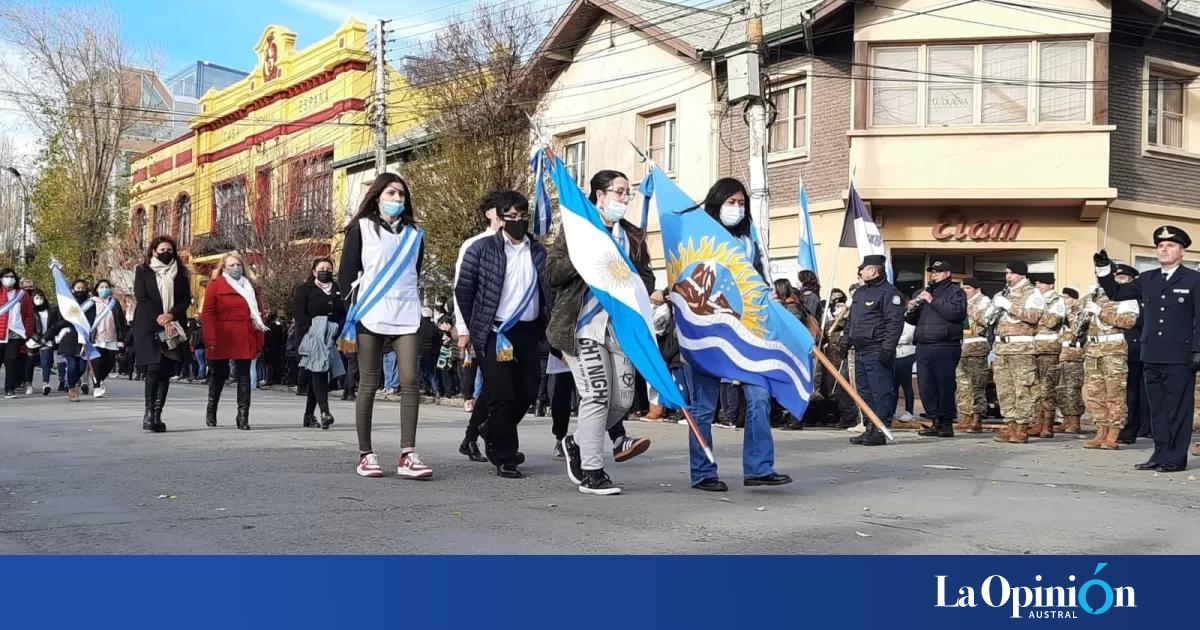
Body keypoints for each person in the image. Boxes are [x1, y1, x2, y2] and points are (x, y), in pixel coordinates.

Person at [548, 169, 655, 496]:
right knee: (595, 395)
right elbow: (552, 272)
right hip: (581, 326)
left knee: (621, 400)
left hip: (619, 328)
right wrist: (582, 259)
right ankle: (593, 470)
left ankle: (577, 442)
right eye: (620, 192)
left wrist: (631, 282)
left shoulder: (632, 236)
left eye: (628, 193)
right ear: (600, 196)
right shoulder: (579, 230)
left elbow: (647, 278)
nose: (625, 199)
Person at [681, 177, 792, 489]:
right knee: (704, 406)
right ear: (717, 205)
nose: (737, 208)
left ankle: (759, 468)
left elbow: (756, 282)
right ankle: (703, 473)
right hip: (708, 331)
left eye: (742, 203)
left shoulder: (749, 244)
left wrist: (766, 294)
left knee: (759, 397)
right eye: (731, 202)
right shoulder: (700, 238)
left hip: (748, 331)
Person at [339, 172, 433, 480]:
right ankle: (366, 453)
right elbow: (346, 275)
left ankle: (408, 453)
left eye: (401, 195)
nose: (396, 199)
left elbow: (413, 272)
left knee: (409, 379)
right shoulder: (360, 229)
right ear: (377, 196)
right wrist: (350, 312)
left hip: (406, 312)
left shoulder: (415, 234)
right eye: (391, 193)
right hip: (370, 312)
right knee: (369, 382)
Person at [455, 189, 549, 479]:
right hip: (494, 331)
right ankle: (506, 455)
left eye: (522, 216)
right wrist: (470, 327)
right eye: (511, 216)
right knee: (501, 394)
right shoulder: (480, 249)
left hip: (528, 330)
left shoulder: (538, 251)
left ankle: (490, 428)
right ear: (499, 218)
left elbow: (549, 291)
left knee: (528, 391)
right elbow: (463, 290)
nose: (517, 221)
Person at [1096, 225, 1200, 472]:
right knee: (1158, 409)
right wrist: (1104, 269)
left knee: (1178, 410)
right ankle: (1160, 453)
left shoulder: (1194, 279)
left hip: (1179, 355)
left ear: (1182, 251)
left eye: (1170, 245)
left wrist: (1198, 349)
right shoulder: (1148, 278)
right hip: (1151, 353)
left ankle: (1175, 457)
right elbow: (1117, 292)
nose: (1164, 250)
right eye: (1160, 246)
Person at [454, 191, 505, 462]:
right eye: (501, 210)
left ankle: (474, 435)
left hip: (512, 328)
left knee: (500, 387)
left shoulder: (518, 244)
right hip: (483, 326)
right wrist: (464, 329)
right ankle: (487, 437)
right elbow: (461, 289)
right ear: (489, 213)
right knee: (494, 385)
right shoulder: (475, 244)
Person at [201, 252, 268, 430]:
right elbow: (207, 313)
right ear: (223, 267)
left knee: (244, 375)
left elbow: (259, 315)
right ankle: (211, 409)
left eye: (238, 265)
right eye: (231, 265)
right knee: (219, 374)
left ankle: (243, 416)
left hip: (245, 334)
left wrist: (259, 341)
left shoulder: (251, 287)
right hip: (222, 334)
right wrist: (210, 338)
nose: (235, 268)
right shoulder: (215, 285)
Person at [844, 254, 904, 447]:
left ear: (873, 270)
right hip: (860, 350)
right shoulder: (860, 293)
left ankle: (879, 429)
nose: (860, 271)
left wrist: (887, 348)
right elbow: (851, 320)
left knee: (880, 392)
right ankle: (869, 426)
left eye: (863, 268)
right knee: (863, 392)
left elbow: (894, 324)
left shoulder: (890, 293)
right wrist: (846, 339)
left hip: (877, 349)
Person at [133, 236, 192, 432]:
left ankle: (158, 414)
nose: (166, 252)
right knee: (153, 369)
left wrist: (171, 315)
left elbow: (185, 300)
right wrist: (161, 317)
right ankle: (149, 413)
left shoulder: (181, 274)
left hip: (173, 326)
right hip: (149, 325)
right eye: (162, 249)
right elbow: (142, 297)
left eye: (169, 249)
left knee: (165, 371)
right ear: (154, 251)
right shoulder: (143, 271)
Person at [906, 260, 967, 438]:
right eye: (932, 272)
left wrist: (932, 300)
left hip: (945, 344)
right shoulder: (923, 292)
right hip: (924, 345)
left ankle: (946, 423)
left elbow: (957, 315)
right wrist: (911, 309)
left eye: (938, 272)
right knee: (926, 386)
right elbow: (912, 320)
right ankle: (934, 420)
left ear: (947, 273)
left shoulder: (956, 292)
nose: (934, 275)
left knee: (944, 385)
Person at [987, 260, 1045, 445]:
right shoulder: (1003, 293)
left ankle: (1021, 427)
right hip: (1002, 348)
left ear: (1021, 274)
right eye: (1006, 273)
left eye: (1011, 273)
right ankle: (1010, 424)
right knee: (1004, 390)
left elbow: (1034, 316)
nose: (1008, 277)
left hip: (1021, 349)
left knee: (1022, 389)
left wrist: (1009, 306)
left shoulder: (1032, 293)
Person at [1077, 279, 1138, 450]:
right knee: (1095, 393)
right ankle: (1101, 430)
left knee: (1114, 393)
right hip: (1092, 350)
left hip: (1114, 351)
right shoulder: (1091, 296)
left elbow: (1128, 321)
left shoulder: (1125, 297)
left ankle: (1113, 433)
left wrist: (1100, 312)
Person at [293, 257, 346, 429]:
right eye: (322, 268)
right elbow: (299, 313)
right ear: (314, 271)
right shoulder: (304, 290)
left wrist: (337, 327)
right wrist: (315, 328)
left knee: (318, 373)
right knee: (319, 371)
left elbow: (343, 312)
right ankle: (325, 412)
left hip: (331, 337)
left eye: (329, 268)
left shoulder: (338, 290)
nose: (325, 271)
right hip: (312, 337)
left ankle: (309, 416)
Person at [1028, 272, 1067, 438]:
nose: (1038, 286)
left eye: (1041, 283)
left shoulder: (1057, 300)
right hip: (1033, 348)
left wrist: (1038, 311)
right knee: (1035, 389)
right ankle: (1038, 422)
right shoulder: (1033, 299)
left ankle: (1048, 424)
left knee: (1047, 388)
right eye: (1036, 283)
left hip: (1049, 349)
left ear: (1050, 285)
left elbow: (1052, 321)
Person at [953, 278, 991, 433]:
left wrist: (968, 310)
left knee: (976, 384)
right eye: (963, 288)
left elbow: (986, 321)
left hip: (976, 346)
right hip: (962, 346)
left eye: (968, 288)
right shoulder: (962, 302)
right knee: (963, 385)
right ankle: (965, 416)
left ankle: (977, 418)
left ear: (977, 289)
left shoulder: (984, 301)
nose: (965, 291)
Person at [86, 279, 128, 398]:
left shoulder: (114, 303)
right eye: (101, 287)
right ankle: (96, 386)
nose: (104, 289)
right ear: (97, 290)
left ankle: (100, 379)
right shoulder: (91, 303)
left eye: (106, 287)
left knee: (109, 363)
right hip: (96, 338)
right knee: (97, 362)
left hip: (112, 338)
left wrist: (121, 339)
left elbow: (121, 321)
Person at [823, 288, 858, 429]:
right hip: (833, 361)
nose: (839, 309)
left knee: (851, 388)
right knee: (838, 391)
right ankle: (844, 415)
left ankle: (854, 416)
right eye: (836, 306)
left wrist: (844, 317)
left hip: (848, 359)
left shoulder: (850, 322)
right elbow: (824, 339)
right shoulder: (829, 325)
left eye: (841, 306)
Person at [1055, 288, 1085, 435]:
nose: (1064, 301)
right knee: (1061, 389)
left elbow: (1079, 331)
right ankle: (1066, 418)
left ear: (1074, 298)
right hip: (1061, 354)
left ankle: (1074, 421)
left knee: (1072, 389)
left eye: (1066, 298)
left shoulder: (1080, 313)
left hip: (1074, 355)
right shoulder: (1062, 313)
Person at [0, 268, 34, 399]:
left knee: (11, 361)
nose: (9, 278)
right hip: (0, 332)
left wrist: (27, 333)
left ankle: (9, 388)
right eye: (6, 276)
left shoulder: (22, 295)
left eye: (12, 276)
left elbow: (28, 315)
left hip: (15, 332)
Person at [26, 289, 59, 396]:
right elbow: (28, 326)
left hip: (47, 339)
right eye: (36, 297)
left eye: (41, 297)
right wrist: (37, 338)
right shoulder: (30, 311)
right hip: (33, 340)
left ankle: (46, 384)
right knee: (30, 363)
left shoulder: (51, 310)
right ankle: (29, 385)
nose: (39, 300)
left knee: (46, 363)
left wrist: (46, 338)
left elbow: (54, 326)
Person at [893, 318, 917, 425]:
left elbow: (908, 337)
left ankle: (909, 411)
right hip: (894, 354)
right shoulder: (894, 319)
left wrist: (892, 340)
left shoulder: (910, 321)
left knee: (906, 384)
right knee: (893, 385)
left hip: (906, 354)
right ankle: (891, 410)